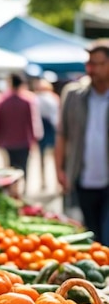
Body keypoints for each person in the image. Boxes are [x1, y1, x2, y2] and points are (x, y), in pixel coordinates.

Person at [55, 39, 109, 244]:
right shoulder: (74, 95)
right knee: (89, 236)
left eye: (98, 63)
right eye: (89, 63)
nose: (91, 69)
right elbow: (62, 134)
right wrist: (59, 169)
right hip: (81, 179)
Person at [0, 73, 44, 185]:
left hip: (8, 142)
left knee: (10, 169)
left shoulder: (2, 102)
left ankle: (14, 192)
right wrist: (33, 140)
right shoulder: (26, 102)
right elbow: (31, 123)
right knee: (23, 168)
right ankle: (22, 190)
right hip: (23, 141)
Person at [35, 78, 60, 189]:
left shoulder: (37, 98)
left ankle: (47, 181)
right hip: (48, 129)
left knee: (47, 157)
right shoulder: (53, 98)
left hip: (48, 129)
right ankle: (49, 181)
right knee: (49, 157)